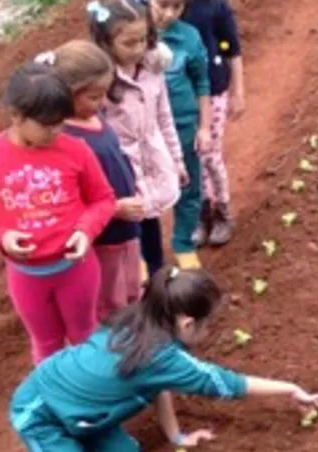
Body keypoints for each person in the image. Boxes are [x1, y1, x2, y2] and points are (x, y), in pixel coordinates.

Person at [0, 266, 318, 452]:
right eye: (207, 325)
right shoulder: (160, 355)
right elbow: (227, 384)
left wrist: (175, 435)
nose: (209, 332)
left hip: (81, 412)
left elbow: (157, 383)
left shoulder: (145, 323)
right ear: (187, 323)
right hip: (41, 414)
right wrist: (289, 388)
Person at [0, 62, 117, 364]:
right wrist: (0, 236)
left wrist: (85, 231)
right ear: (16, 116)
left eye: (61, 122)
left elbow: (103, 199)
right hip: (26, 276)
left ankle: (93, 396)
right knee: (46, 344)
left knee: (85, 334)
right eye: (47, 125)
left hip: (76, 269)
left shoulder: (76, 150)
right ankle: (57, 401)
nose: (56, 131)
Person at [37, 40, 146, 323]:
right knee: (109, 302)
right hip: (103, 238)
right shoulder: (65, 140)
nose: (102, 102)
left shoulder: (94, 119)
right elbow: (69, 202)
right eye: (94, 97)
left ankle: (136, 336)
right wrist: (116, 208)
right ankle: (115, 354)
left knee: (131, 288)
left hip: (126, 231)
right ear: (66, 95)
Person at [88, 0, 188, 280]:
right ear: (106, 43)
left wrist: (177, 160)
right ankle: (129, 286)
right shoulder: (100, 84)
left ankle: (157, 274)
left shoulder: (152, 69)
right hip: (120, 169)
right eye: (129, 43)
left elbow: (164, 117)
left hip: (151, 159)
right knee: (126, 232)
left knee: (150, 220)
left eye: (143, 39)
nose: (138, 48)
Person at [151, 0, 213, 269]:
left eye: (176, 7)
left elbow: (202, 82)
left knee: (189, 187)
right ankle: (148, 257)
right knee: (145, 191)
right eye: (162, 4)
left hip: (183, 125)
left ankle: (183, 244)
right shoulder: (131, 33)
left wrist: (204, 127)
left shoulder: (188, 36)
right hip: (147, 132)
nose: (168, 13)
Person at [183, 0, 246, 247]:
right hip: (181, 95)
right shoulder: (162, 8)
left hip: (213, 92)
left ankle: (222, 210)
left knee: (209, 154)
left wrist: (238, 92)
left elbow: (233, 50)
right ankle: (201, 212)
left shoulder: (214, 6)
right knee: (190, 156)